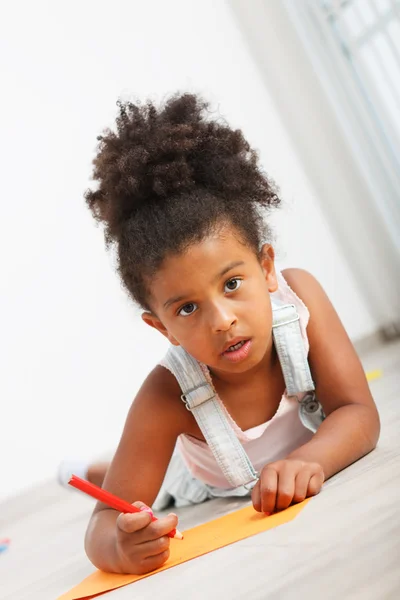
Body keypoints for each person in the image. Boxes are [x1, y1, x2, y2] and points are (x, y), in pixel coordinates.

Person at [66, 93, 380, 575]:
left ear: (267, 267)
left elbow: (358, 414)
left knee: (133, 467)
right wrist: (120, 545)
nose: (222, 320)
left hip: (274, 458)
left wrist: (310, 460)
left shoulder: (301, 303)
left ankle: (111, 464)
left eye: (233, 284)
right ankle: (105, 468)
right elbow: (103, 525)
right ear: (161, 327)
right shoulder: (167, 395)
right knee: (150, 482)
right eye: (187, 308)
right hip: (201, 478)